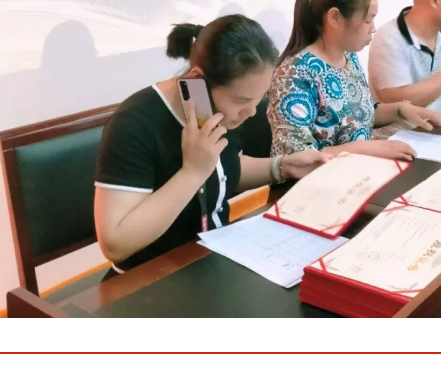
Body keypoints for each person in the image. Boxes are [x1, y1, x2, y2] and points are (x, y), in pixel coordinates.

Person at [94, 15, 329, 277]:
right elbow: (115, 244)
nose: (251, 112)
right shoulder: (134, 124)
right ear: (197, 79)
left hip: (212, 259)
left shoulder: (214, 109)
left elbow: (222, 169)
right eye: (242, 101)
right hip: (148, 279)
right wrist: (192, 172)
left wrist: (282, 167)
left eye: (258, 99)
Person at [268, 0, 441, 159]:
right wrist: (370, 148)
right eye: (368, 19)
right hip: (319, 177)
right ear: (335, 17)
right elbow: (295, 158)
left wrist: (401, 110)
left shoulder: (348, 57)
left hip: (358, 170)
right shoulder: (294, 73)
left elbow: (357, 115)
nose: (373, 28)